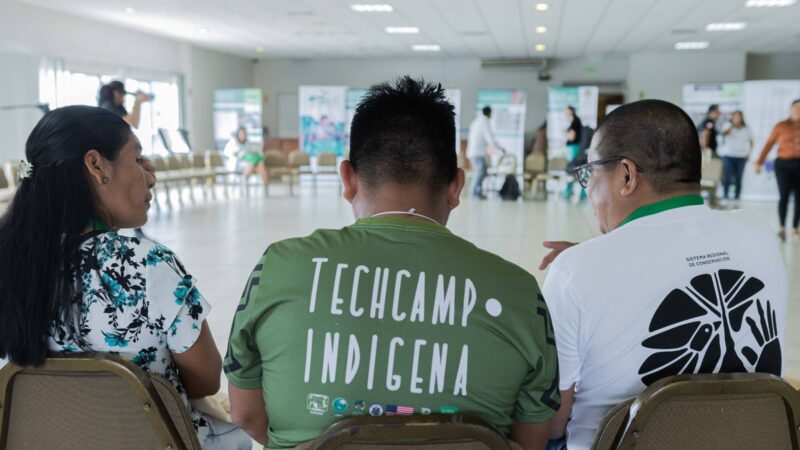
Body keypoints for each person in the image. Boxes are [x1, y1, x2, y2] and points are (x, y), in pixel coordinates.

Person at [224, 77, 560, 449]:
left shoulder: (278, 268)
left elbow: (246, 415)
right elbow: (532, 441)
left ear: (347, 178)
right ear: (455, 186)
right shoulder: (518, 292)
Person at [538, 100, 787, 450]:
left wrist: (586, 262)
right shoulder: (758, 233)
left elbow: (550, 423)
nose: (589, 190)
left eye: (590, 172)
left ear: (626, 175)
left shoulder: (574, 271)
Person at [0, 106, 251, 450]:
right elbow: (205, 380)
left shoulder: (8, 261)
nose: (150, 176)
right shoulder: (147, 264)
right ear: (96, 164)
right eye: (137, 159)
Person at [98, 80, 152, 239]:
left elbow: (133, 124)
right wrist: (138, 102)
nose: (122, 97)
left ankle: (136, 230)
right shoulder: (108, 107)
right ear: (113, 93)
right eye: (120, 93)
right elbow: (132, 121)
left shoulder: (115, 107)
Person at [755, 99, 800, 241]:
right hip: (783, 165)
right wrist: (759, 162)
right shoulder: (781, 126)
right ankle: (781, 227)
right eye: (796, 107)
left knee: (799, 198)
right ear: (790, 109)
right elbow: (769, 144)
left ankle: (794, 228)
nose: (798, 109)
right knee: (784, 196)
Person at [466, 106, 504, 199]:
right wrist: (500, 149)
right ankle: (473, 192)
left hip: (473, 152)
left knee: (482, 171)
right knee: (480, 172)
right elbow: (490, 138)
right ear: (489, 113)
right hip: (477, 153)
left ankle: (477, 191)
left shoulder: (476, 121)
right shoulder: (485, 122)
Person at [718, 111, 753, 206]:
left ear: (742, 117)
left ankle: (736, 197)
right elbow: (723, 133)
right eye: (735, 117)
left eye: (738, 116)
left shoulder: (747, 129)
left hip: (741, 156)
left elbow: (751, 141)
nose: (737, 118)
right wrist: (731, 125)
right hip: (728, 155)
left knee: (738, 178)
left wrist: (749, 153)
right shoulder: (728, 126)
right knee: (727, 177)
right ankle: (725, 196)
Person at [224, 126, 268, 192]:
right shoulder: (233, 142)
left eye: (243, 133)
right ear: (237, 134)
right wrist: (236, 152)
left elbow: (251, 151)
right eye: (240, 133)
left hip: (249, 161)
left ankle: (245, 179)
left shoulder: (248, 142)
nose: (242, 135)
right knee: (257, 163)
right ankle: (265, 185)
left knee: (258, 162)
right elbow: (226, 152)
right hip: (239, 162)